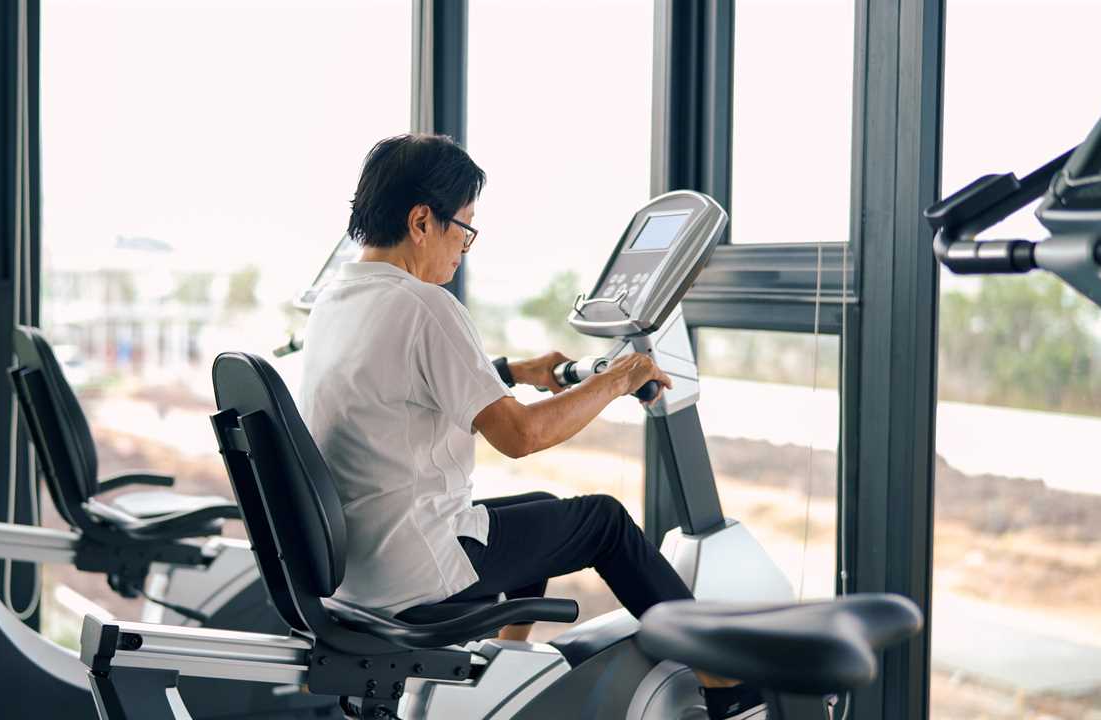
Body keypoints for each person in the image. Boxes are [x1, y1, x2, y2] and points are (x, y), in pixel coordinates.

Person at [299, 134, 761, 719]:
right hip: (414, 569)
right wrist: (618, 379)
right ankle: (727, 686)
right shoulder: (424, 305)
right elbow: (521, 437)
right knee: (603, 522)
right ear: (422, 221)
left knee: (544, 509)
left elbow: (392, 386)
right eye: (463, 229)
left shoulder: (339, 300)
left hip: (361, 566)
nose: (464, 248)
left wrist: (512, 371)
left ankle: (497, 674)